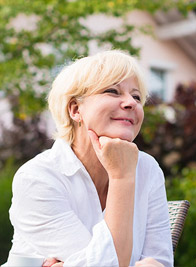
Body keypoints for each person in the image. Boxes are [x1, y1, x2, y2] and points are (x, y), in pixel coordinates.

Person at [7, 50, 172, 267]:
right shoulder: (37, 178)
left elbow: (160, 262)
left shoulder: (147, 168)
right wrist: (122, 178)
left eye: (136, 96)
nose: (131, 103)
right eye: (113, 91)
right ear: (76, 110)